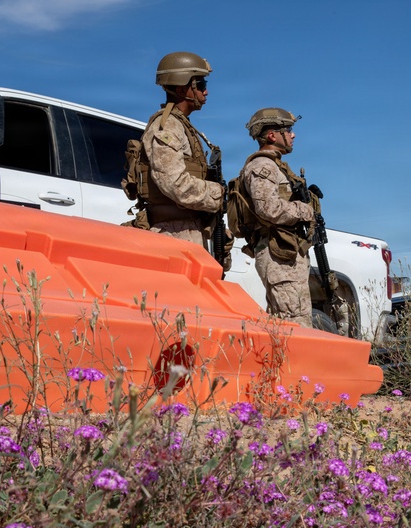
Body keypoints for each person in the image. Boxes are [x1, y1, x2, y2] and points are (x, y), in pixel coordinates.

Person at [124, 51, 224, 252]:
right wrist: (217, 194)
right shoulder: (167, 126)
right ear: (181, 89)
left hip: (186, 228)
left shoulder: (182, 126)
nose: (206, 92)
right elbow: (173, 183)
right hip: (173, 231)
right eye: (201, 86)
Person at [237, 108, 316, 328]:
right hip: (277, 252)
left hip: (284, 251)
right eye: (288, 130)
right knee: (293, 325)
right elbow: (268, 209)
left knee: (289, 324)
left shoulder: (276, 166)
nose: (293, 135)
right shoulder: (262, 166)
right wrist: (304, 211)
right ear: (272, 135)